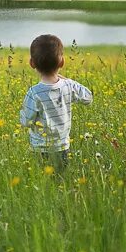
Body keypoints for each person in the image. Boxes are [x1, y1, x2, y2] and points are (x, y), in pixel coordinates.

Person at [19, 34, 92, 174]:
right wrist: (67, 80)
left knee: (44, 184)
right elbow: (88, 97)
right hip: (62, 148)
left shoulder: (34, 93)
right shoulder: (68, 86)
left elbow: (26, 122)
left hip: (39, 149)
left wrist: (22, 115)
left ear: (32, 63)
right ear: (62, 62)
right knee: (61, 181)